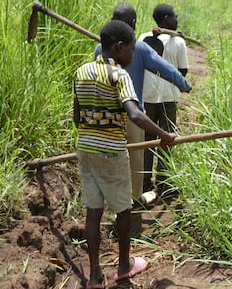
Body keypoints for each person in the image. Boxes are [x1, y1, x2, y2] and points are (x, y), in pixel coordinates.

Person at [76, 19, 177, 288]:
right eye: (131, 50)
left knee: (93, 211)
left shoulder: (82, 71)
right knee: (123, 210)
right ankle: (124, 266)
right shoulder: (120, 76)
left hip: (85, 149)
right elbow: (134, 114)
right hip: (111, 151)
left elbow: (77, 116)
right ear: (120, 48)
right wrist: (164, 136)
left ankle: (95, 276)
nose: (132, 55)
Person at [94, 3, 191, 206]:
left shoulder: (99, 48)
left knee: (110, 157)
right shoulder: (138, 47)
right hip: (132, 115)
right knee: (135, 160)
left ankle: (109, 196)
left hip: (105, 115)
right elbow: (166, 69)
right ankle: (134, 198)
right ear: (134, 23)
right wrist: (184, 85)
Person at [138, 4, 189, 196]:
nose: (177, 19)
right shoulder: (178, 43)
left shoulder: (142, 38)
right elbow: (183, 71)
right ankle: (164, 182)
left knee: (146, 139)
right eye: (175, 16)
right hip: (168, 97)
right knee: (167, 137)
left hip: (147, 95)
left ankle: (143, 182)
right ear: (166, 19)